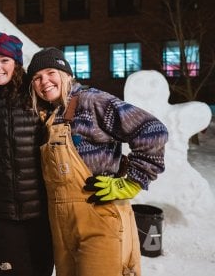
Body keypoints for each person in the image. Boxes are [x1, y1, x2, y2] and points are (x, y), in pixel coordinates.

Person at [27, 47, 168, 276]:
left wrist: (132, 182)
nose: (44, 81)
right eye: (37, 77)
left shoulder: (90, 101)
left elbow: (152, 130)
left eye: (51, 72)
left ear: (67, 74)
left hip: (99, 218)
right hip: (63, 227)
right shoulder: (52, 115)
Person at [0, 32, 54, 276]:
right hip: (0, 211)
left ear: (16, 63)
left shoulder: (35, 94)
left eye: (4, 60)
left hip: (40, 209)